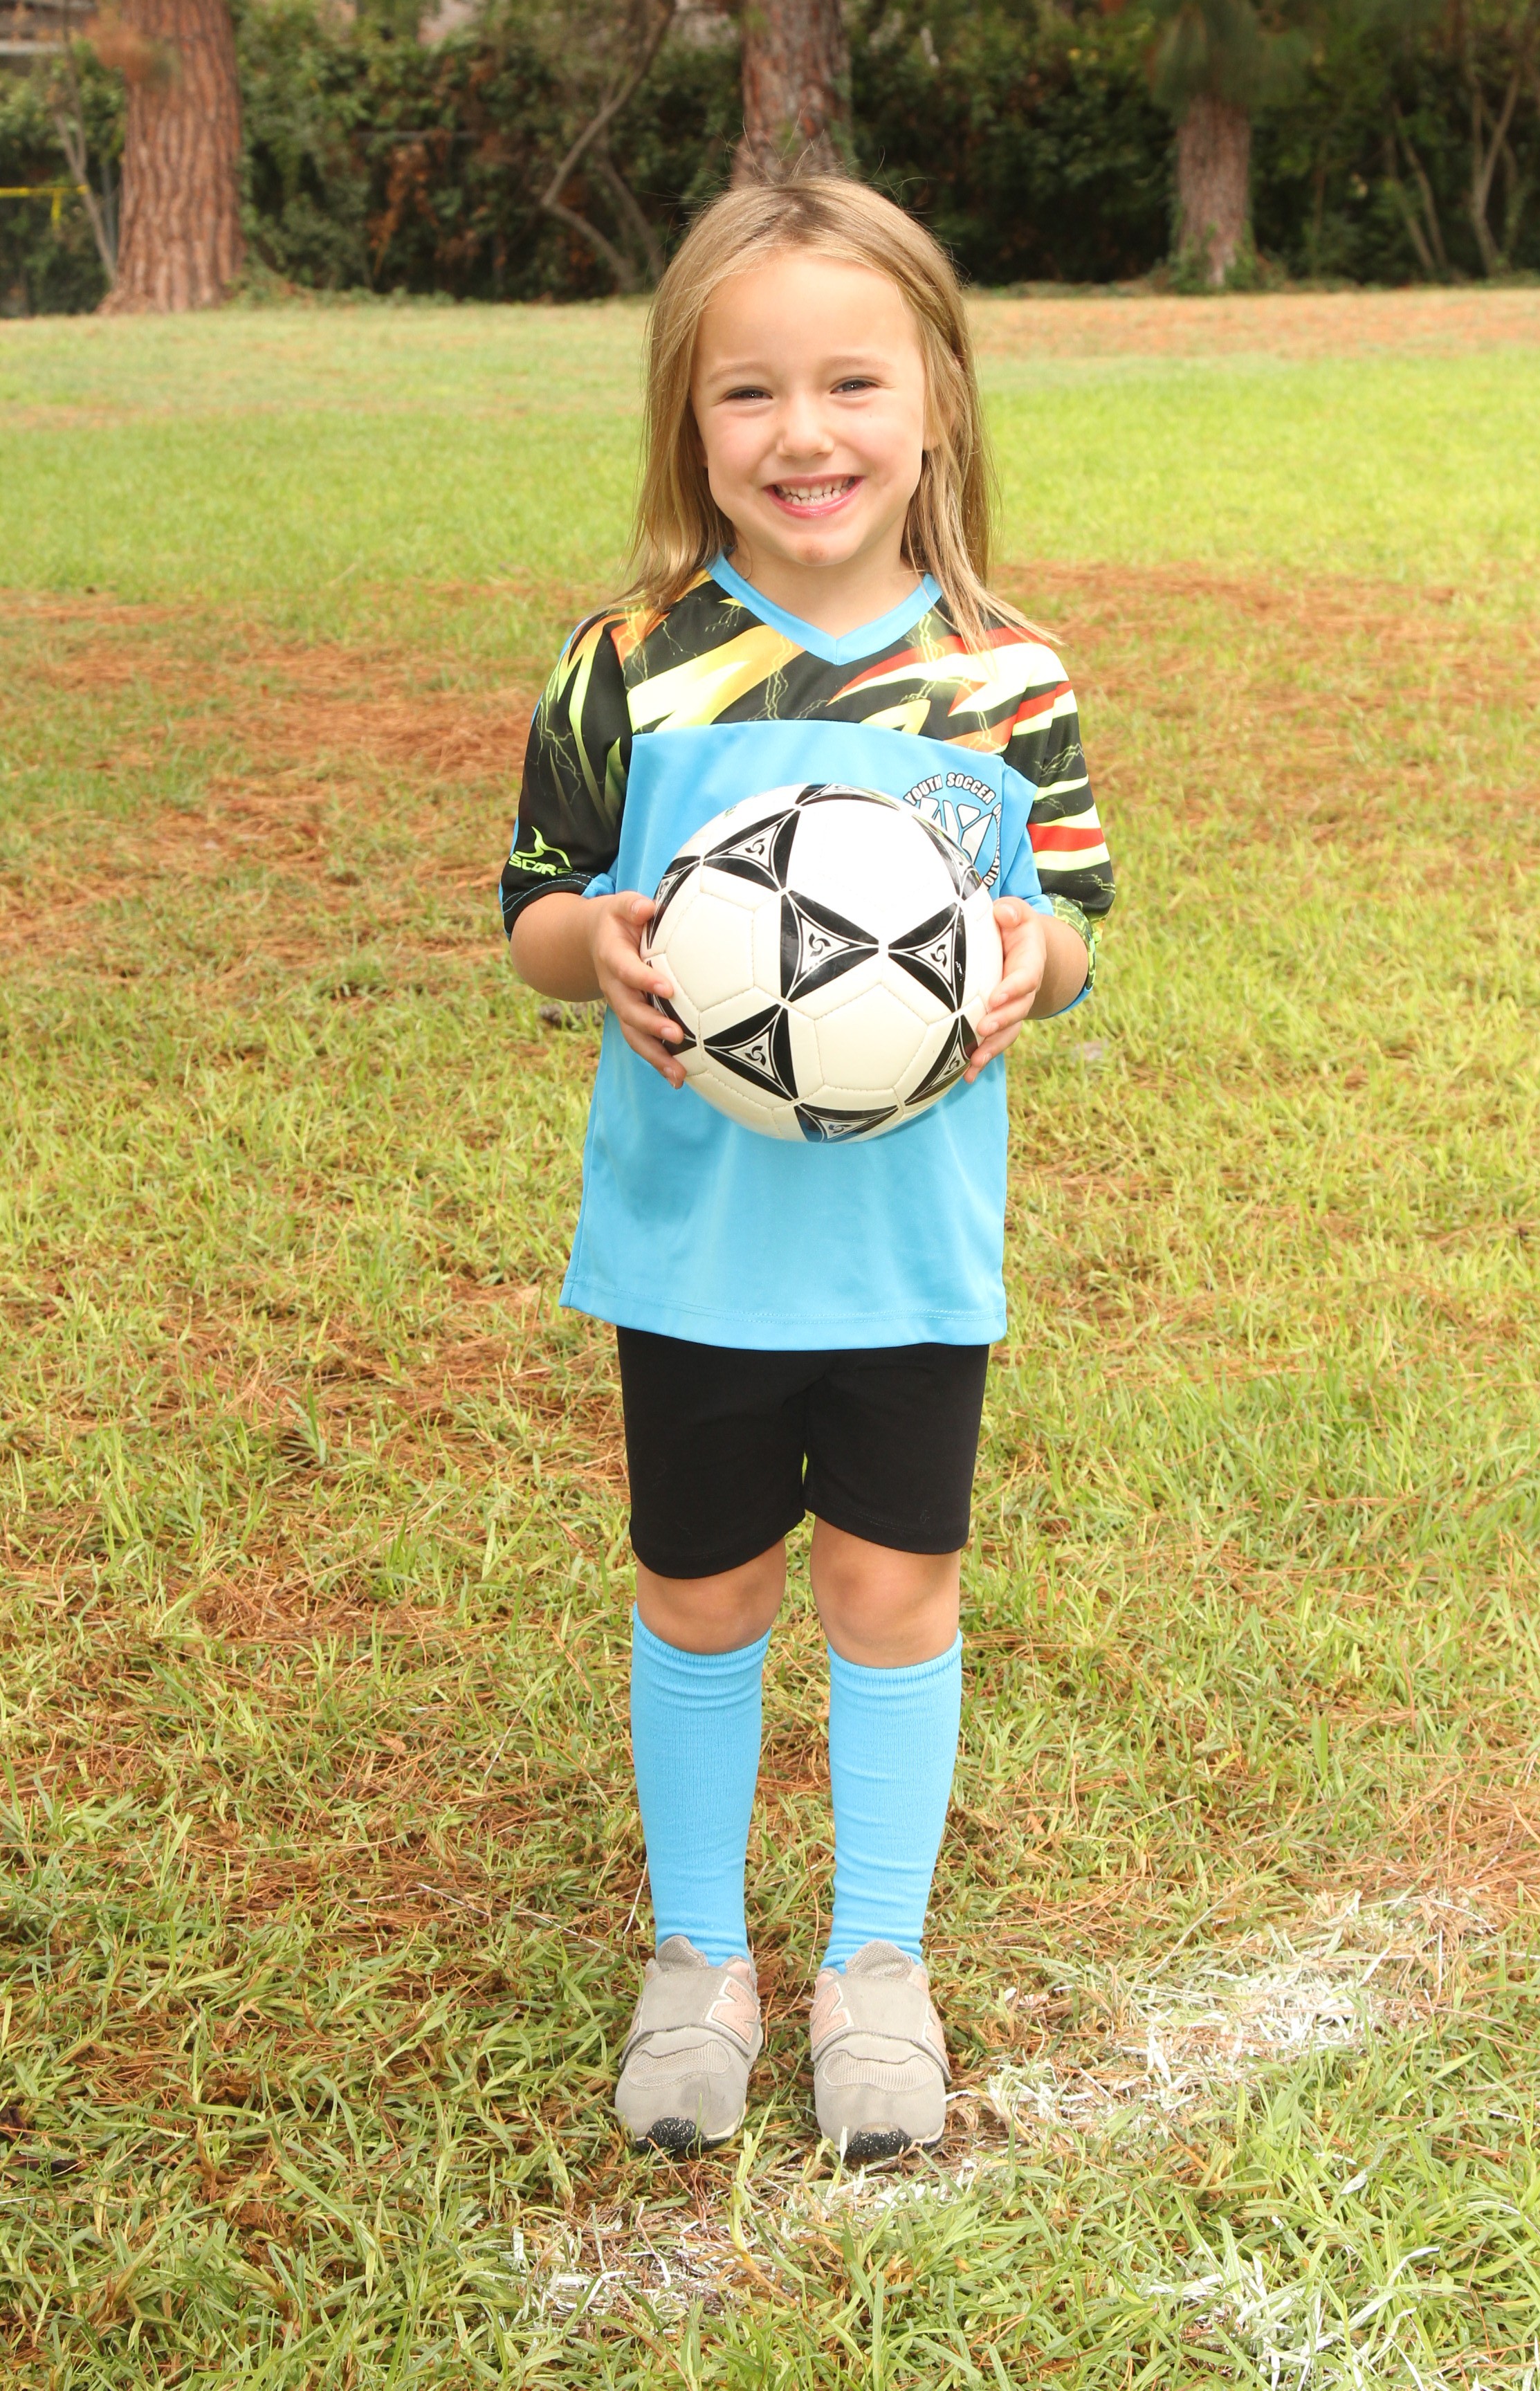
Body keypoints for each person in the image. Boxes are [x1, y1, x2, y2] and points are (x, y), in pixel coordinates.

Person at [499, 176, 1115, 2161]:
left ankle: (874, 1964)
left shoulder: (1004, 680)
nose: (804, 433)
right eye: (748, 391)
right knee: (702, 1591)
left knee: (891, 1583)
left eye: (854, 382)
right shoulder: (629, 664)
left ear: (936, 401)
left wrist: (1026, 957)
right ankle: (697, 1955)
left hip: (907, 1251)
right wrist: (596, 943)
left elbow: (1075, 922)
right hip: (693, 1249)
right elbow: (533, 912)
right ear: (689, 420)